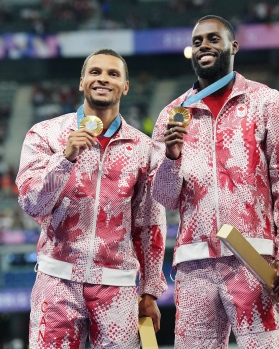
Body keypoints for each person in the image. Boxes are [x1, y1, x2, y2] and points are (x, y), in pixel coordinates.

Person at [151, 15, 279, 348]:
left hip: (254, 256)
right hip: (194, 262)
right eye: (197, 41)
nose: (203, 45)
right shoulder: (172, 114)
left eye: (212, 39)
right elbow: (164, 197)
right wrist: (172, 157)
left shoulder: (267, 101)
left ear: (233, 46)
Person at [16, 48, 167, 348]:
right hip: (56, 281)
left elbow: (150, 224)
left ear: (125, 86)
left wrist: (149, 292)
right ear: (82, 82)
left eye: (113, 74)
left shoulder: (143, 148)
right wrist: (65, 158)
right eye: (95, 72)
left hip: (118, 287)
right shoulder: (45, 135)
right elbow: (31, 203)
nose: (103, 79)